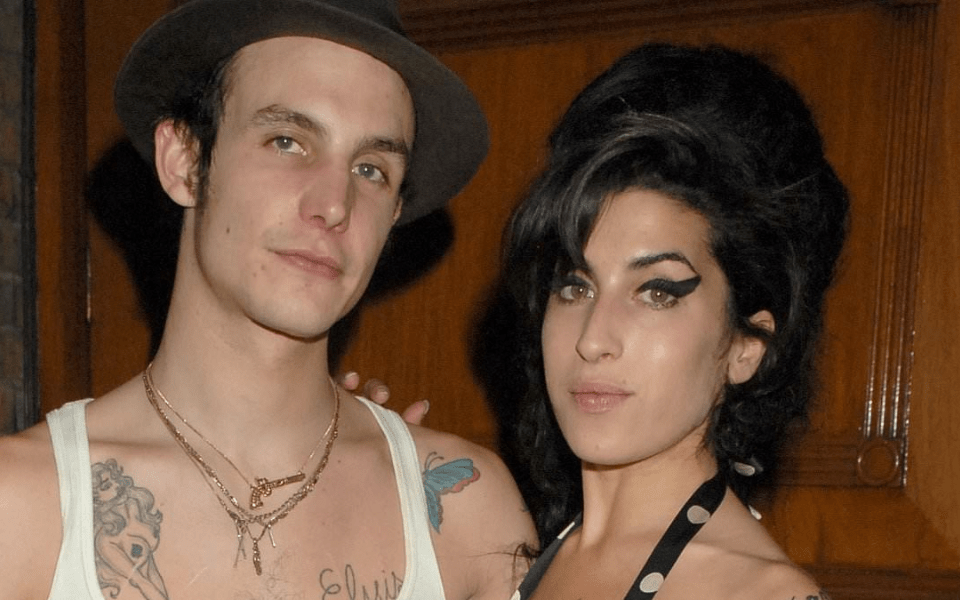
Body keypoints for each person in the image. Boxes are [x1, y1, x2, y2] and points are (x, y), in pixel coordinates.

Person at [0, 0, 535, 598]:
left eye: (371, 169)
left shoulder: (470, 517)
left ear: (394, 216)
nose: (334, 204)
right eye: (287, 141)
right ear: (184, 161)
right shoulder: (21, 507)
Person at [486, 43, 848, 599]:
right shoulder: (513, 554)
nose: (593, 340)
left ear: (746, 347)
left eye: (656, 292)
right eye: (575, 287)